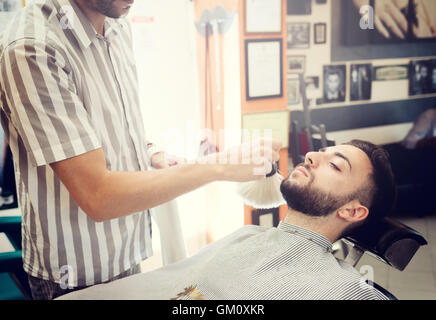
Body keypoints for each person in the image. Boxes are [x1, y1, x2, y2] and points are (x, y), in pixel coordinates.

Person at [0, 0, 281, 300]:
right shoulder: (32, 49)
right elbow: (99, 196)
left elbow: (105, 122)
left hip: (127, 247)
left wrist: (150, 151)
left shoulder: (117, 23)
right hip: (75, 270)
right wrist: (220, 165)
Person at [58, 140, 396, 300]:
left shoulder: (345, 291)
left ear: (352, 212)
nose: (311, 155)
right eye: (323, 151)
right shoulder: (249, 235)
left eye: (335, 165)